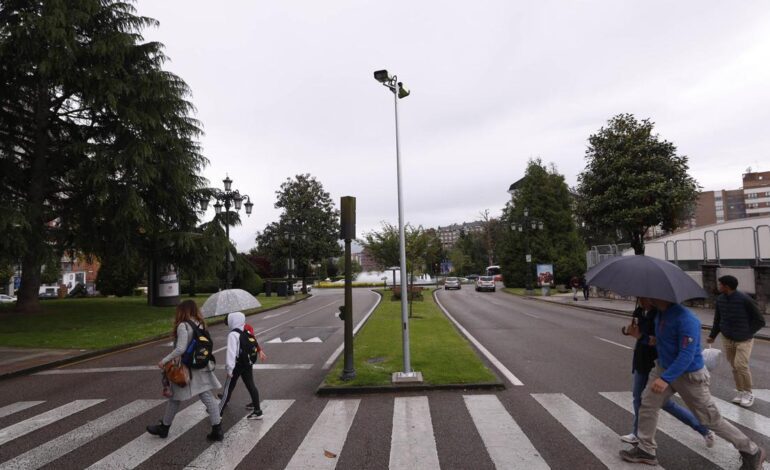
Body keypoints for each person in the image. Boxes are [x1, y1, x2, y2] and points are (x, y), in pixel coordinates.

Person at [620, 298, 766, 469]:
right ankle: (646, 450)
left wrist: (665, 379)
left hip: (689, 375)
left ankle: (752, 451)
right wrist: (639, 336)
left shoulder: (686, 319)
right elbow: (661, 342)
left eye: (646, 295)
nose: (643, 298)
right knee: (647, 404)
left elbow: (686, 355)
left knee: (711, 419)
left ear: (660, 296)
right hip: (663, 368)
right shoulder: (660, 314)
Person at [619, 298, 714, 447]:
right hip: (640, 360)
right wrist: (627, 331)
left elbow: (657, 341)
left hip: (654, 362)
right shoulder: (639, 311)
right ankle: (702, 429)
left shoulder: (660, 315)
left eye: (643, 297)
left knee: (650, 401)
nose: (640, 300)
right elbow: (636, 331)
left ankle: (703, 428)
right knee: (643, 399)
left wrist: (639, 336)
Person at [147, 300, 224, 441]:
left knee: (175, 398)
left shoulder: (183, 325)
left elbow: (180, 349)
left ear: (182, 311)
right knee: (207, 397)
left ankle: (164, 428)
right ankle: (217, 429)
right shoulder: (200, 323)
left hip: (185, 369)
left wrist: (164, 361)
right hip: (200, 366)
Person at [707, 275, 766, 408]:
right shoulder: (720, 299)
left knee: (741, 366)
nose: (719, 286)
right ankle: (740, 391)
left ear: (727, 286)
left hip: (743, 340)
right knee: (734, 367)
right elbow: (717, 320)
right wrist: (712, 335)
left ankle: (748, 393)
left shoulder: (745, 299)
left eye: (720, 284)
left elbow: (760, 320)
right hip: (727, 338)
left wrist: (747, 333)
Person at [218, 312, 267, 419]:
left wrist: (229, 369)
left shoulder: (233, 334)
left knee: (228, 388)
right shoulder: (247, 331)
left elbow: (231, 354)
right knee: (251, 385)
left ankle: (218, 414)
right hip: (247, 363)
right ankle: (258, 411)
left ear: (232, 321)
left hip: (237, 365)